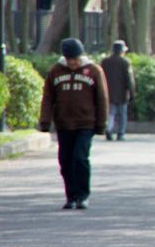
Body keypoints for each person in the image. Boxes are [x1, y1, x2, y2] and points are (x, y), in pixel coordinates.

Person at [39, 37, 109, 210]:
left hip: (86, 123)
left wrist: (101, 124)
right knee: (65, 161)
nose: (73, 63)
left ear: (81, 56)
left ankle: (82, 196)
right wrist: (45, 121)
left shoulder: (94, 71)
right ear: (64, 57)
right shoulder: (55, 71)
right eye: (69, 59)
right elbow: (48, 98)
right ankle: (70, 197)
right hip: (63, 123)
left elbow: (102, 98)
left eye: (76, 59)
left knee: (80, 158)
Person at [100, 40, 136, 141]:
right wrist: (132, 92)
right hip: (121, 92)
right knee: (122, 114)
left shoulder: (105, 61)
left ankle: (109, 129)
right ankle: (120, 133)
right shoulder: (125, 62)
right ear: (122, 51)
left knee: (110, 112)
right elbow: (130, 79)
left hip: (108, 91)